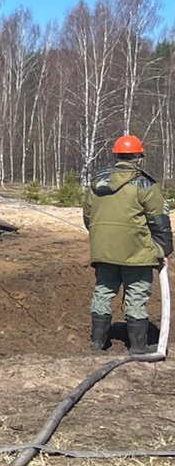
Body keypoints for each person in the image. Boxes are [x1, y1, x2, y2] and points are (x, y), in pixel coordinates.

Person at [83, 134, 173, 355]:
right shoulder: (145, 184)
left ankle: (98, 342)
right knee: (137, 293)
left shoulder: (97, 183)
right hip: (137, 252)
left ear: (116, 155)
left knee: (103, 292)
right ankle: (138, 346)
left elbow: (88, 218)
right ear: (139, 156)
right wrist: (163, 250)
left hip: (103, 251)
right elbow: (159, 221)